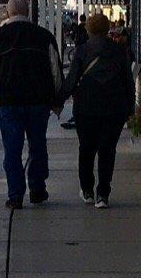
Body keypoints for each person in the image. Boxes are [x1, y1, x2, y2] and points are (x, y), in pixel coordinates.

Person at [0, 0, 63, 210]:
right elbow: (55, 71)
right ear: (28, 13)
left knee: (12, 150)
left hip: (8, 100)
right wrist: (57, 99)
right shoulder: (44, 36)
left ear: (7, 14)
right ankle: (37, 188)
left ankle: (15, 195)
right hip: (38, 101)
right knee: (38, 145)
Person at [57, 11, 135, 208]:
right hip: (114, 107)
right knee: (107, 150)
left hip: (86, 107)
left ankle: (87, 190)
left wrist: (57, 101)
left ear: (89, 28)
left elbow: (72, 80)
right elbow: (128, 81)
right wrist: (130, 107)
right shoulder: (119, 51)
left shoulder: (82, 51)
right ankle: (103, 193)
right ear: (108, 28)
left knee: (87, 149)